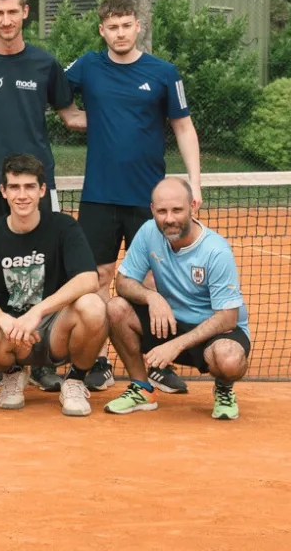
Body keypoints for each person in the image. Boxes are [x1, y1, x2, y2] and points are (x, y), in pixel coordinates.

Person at [64, 0, 203, 395]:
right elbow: (50, 87)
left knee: (151, 281)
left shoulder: (163, 73)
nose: (120, 32)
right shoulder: (88, 66)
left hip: (150, 200)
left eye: (127, 25)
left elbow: (183, 128)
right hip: (99, 196)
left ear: (138, 26)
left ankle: (156, 361)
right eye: (112, 26)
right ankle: (98, 361)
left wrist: (194, 183)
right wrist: (72, 118)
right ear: (102, 30)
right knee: (99, 278)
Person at [0, 0, 84, 394]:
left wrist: (137, 117)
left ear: (26, 12)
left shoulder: (45, 63)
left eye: (14, 11)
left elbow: (72, 116)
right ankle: (1, 355)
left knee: (45, 270)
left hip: (34, 183)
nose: (7, 20)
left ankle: (42, 358)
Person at [0, 154, 110, 416]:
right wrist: (6, 321)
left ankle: (75, 380)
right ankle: (13, 375)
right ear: (3, 192)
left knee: (94, 306)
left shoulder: (63, 226)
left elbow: (88, 278)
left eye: (30, 186)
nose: (22, 195)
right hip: (11, 334)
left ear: (42, 190)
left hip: (55, 329)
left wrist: (37, 313)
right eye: (14, 187)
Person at [103, 177, 249, 421]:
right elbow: (123, 282)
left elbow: (228, 318)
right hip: (168, 323)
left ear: (193, 206)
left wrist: (176, 345)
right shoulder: (149, 232)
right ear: (152, 210)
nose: (169, 218)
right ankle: (142, 389)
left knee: (230, 361)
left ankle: (224, 388)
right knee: (115, 307)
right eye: (161, 211)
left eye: (177, 210)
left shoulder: (216, 251)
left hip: (215, 331)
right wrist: (152, 298)